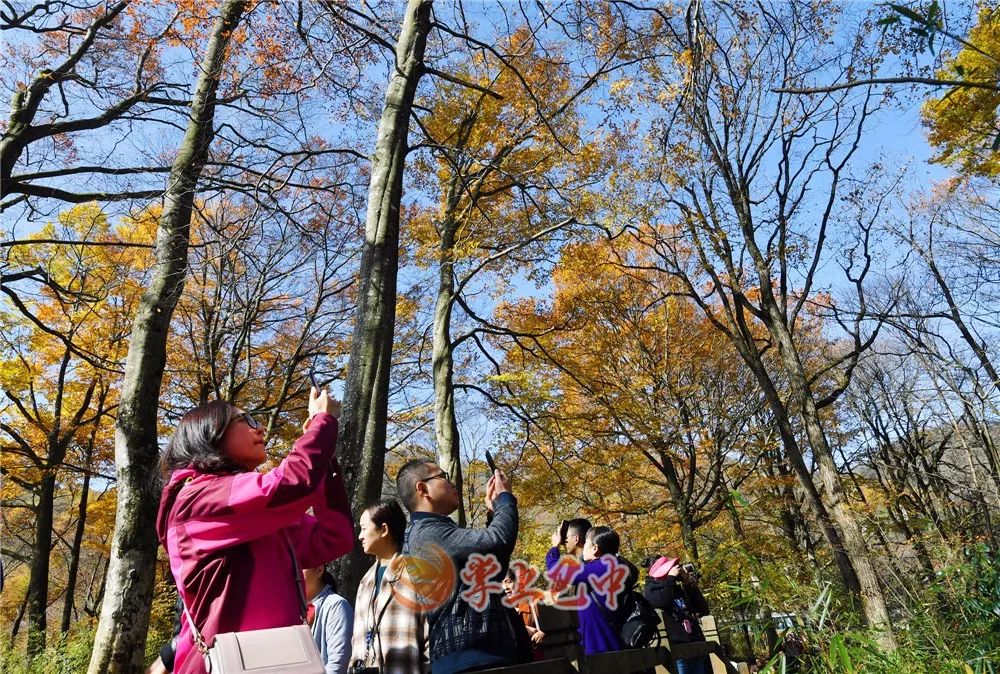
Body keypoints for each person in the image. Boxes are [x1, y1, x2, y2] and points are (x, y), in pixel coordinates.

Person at [155, 388, 354, 674]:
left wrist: (323, 452)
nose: (259, 427)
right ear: (210, 432)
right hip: (228, 664)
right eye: (246, 419)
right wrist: (321, 423)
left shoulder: (255, 516)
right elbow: (292, 484)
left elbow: (334, 537)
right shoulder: (197, 499)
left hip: (279, 662)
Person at [396, 459, 518, 674]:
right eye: (443, 476)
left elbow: (493, 566)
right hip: (471, 654)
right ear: (422, 488)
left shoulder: (431, 531)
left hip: (473, 653)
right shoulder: (428, 532)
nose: (452, 483)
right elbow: (497, 540)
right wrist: (505, 499)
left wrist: (494, 514)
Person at [351, 498, 428, 674]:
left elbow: (430, 635)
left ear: (384, 529)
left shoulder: (415, 573)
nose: (360, 536)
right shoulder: (365, 581)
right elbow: (356, 639)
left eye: (364, 529)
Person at [545, 525, 639, 655]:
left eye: (587, 543)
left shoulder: (604, 567)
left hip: (602, 645)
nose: (584, 547)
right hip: (604, 642)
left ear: (595, 548)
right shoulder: (609, 565)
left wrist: (554, 548)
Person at [644, 558, 711, 674]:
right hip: (675, 649)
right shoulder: (651, 589)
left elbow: (703, 610)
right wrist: (670, 579)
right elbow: (662, 602)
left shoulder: (676, 588)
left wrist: (688, 584)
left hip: (694, 645)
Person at [303, 565, 353, 674]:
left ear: (319, 570)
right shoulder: (292, 610)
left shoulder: (337, 605)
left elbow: (338, 662)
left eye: (299, 567)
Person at [502, 566, 544, 662]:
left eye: (508, 582)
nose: (505, 587)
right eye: (500, 583)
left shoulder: (533, 604)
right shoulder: (498, 610)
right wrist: (526, 629)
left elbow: (547, 629)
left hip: (533, 657)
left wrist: (541, 634)